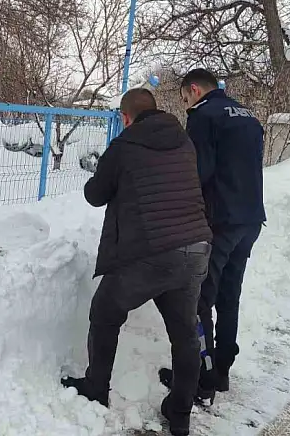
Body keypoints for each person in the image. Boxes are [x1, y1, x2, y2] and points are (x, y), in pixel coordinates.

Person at [61, 88, 212, 436]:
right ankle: (180, 412)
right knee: (185, 334)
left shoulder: (124, 146)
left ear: (125, 117)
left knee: (105, 312)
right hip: (196, 247)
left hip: (151, 252)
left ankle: (96, 388)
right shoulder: (184, 141)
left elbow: (96, 195)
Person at [159, 69, 266, 405]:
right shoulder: (248, 116)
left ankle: (200, 378)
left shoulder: (203, 117)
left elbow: (197, 172)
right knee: (229, 297)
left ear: (194, 90)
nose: (185, 105)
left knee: (201, 299)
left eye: (184, 98)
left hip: (220, 221)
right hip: (250, 219)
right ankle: (221, 370)